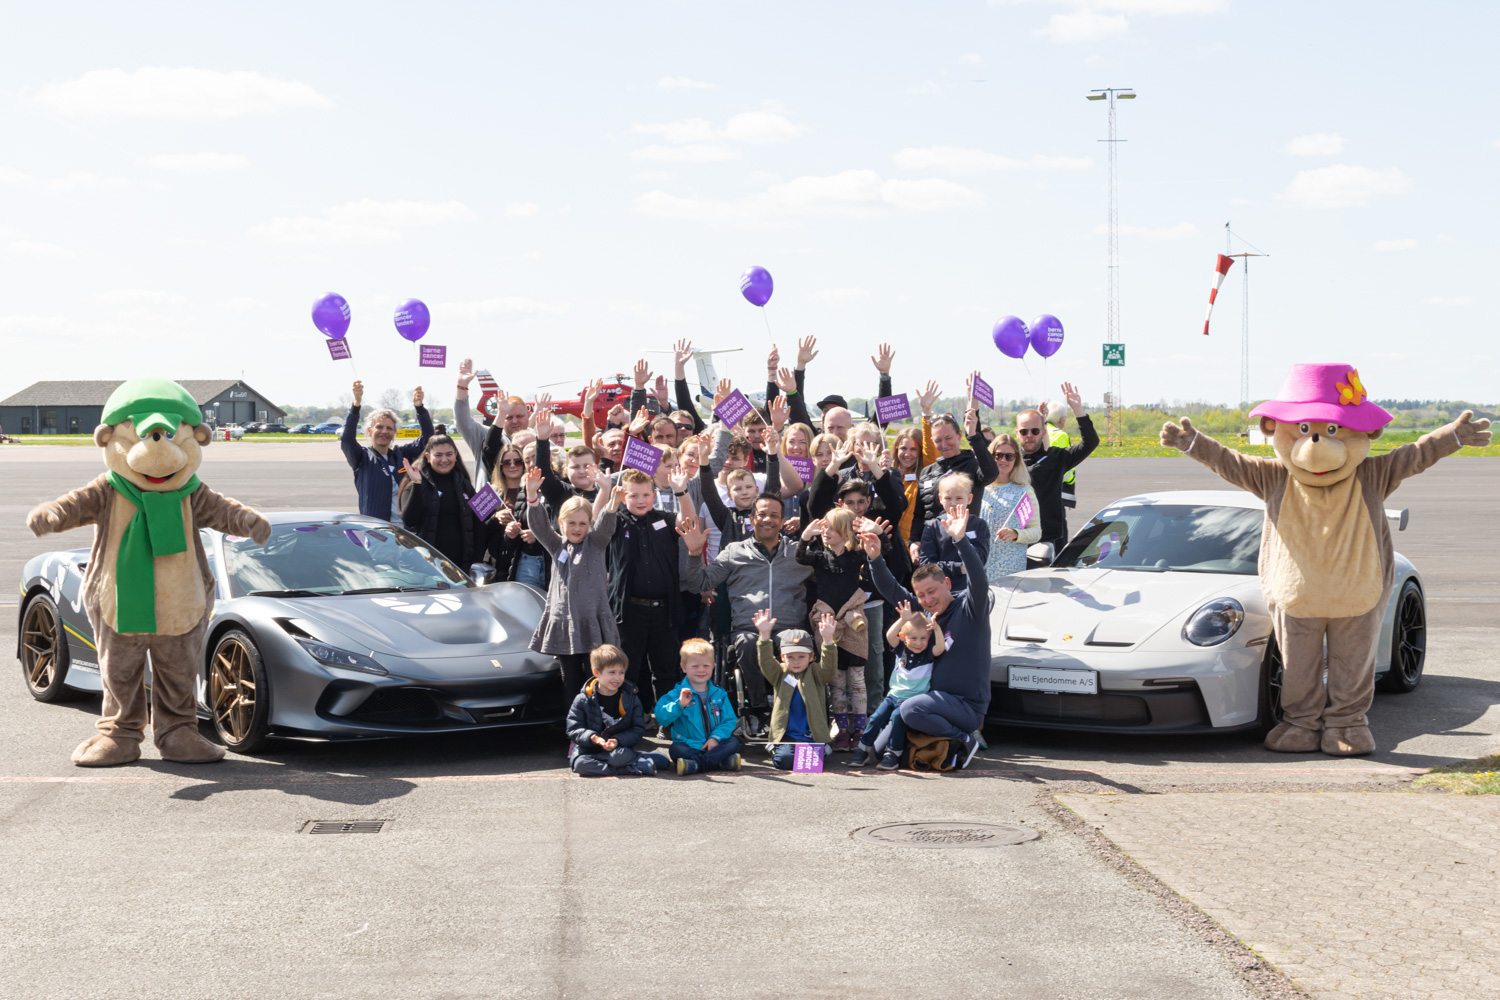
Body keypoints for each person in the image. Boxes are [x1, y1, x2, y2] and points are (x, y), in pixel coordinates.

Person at [860, 511, 990, 770]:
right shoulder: (924, 616)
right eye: (921, 595)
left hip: (965, 706)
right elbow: (893, 591)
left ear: (947, 584)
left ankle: (964, 738)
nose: (927, 599)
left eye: (932, 591)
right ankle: (935, 737)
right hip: (931, 701)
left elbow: (978, 579)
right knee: (876, 749)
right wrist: (874, 558)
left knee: (909, 710)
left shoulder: (970, 609)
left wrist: (961, 540)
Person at [679, 493, 814, 734]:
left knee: (797, 642)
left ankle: (797, 710)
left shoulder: (799, 553)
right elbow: (699, 583)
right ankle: (761, 709)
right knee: (747, 642)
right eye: (761, 514)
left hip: (788, 628)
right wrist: (693, 553)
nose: (767, 519)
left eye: (774, 515)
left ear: (783, 521)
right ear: (752, 519)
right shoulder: (734, 551)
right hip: (748, 629)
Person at [523, 467, 618, 695]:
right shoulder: (556, 544)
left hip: (593, 620)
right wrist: (532, 497)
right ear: (561, 522)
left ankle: (596, 725)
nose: (577, 528)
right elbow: (540, 527)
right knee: (571, 682)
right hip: (566, 622)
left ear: (589, 524)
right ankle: (573, 728)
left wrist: (610, 498)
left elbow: (606, 525)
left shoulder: (595, 542)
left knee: (596, 680)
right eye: (571, 523)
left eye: (583, 523)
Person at [605, 468, 686, 711]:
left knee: (665, 671)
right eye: (633, 496)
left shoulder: (665, 518)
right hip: (630, 610)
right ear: (623, 497)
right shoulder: (616, 520)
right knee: (627, 670)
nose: (640, 500)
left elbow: (689, 521)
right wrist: (606, 493)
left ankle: (666, 719)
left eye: (645, 495)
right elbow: (598, 524)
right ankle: (629, 718)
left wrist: (681, 491)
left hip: (664, 609)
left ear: (654, 495)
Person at [796, 510, 870, 751]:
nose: (825, 531)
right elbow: (800, 557)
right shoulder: (819, 556)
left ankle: (859, 730)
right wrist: (806, 536)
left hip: (852, 623)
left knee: (857, 680)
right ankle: (841, 730)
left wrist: (875, 533)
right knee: (835, 682)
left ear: (847, 533)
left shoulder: (856, 556)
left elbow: (883, 552)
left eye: (832, 528)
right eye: (824, 526)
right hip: (828, 623)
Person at [908, 375, 998, 554]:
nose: (944, 445)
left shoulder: (972, 466)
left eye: (948, 438)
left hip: (962, 545)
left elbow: (991, 473)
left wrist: (973, 435)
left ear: (959, 435)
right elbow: (919, 513)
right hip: (931, 546)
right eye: (938, 440)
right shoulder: (927, 472)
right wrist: (914, 541)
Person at [854, 601, 945, 770]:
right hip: (893, 696)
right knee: (876, 718)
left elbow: (940, 648)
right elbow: (890, 635)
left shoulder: (927, 653)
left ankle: (893, 754)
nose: (919, 643)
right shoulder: (901, 648)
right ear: (904, 638)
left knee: (897, 718)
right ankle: (863, 748)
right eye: (914, 638)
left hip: (912, 700)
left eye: (923, 638)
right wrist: (902, 621)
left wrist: (937, 629)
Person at [1019, 381, 1098, 558]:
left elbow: (1090, 443)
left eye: (1035, 431)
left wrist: (1078, 410)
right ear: (1017, 433)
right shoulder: (1008, 458)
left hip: (1048, 539)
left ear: (1043, 432)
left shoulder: (1056, 459)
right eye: (1024, 431)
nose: (1029, 435)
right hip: (1016, 539)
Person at [340, 380, 432, 525]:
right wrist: (356, 405)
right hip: (376, 533)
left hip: (406, 533)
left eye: (389, 428)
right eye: (379, 427)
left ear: (394, 433)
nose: (384, 431)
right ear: (369, 431)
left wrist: (419, 408)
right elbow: (346, 439)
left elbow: (428, 438)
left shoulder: (401, 456)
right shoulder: (361, 458)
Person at [565, 645, 665, 776]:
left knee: (619, 757)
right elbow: (573, 728)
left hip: (618, 749)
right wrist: (592, 737)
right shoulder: (582, 699)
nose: (617, 678)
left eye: (621, 672)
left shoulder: (631, 697)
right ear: (596, 672)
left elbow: (637, 729)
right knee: (580, 765)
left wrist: (618, 740)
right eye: (612, 672)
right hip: (589, 750)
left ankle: (635, 759)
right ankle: (632, 766)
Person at [756, 612, 839, 771]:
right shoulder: (779, 673)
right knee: (784, 762)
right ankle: (774, 747)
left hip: (812, 736)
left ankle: (824, 748)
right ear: (782, 657)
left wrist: (828, 640)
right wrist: (764, 636)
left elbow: (828, 666)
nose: (795, 661)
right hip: (787, 736)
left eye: (801, 656)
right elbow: (766, 662)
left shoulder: (817, 674)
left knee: (810, 764)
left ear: (811, 657)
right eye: (790, 657)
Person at [396, 434, 487, 568]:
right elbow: (409, 521)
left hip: (460, 565)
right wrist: (417, 484)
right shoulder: (416, 483)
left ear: (455, 455)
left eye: (449, 454)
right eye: (438, 455)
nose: (444, 459)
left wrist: (476, 561)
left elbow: (479, 524)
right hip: (426, 564)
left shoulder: (464, 484)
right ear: (427, 457)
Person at [655, 638, 742, 774]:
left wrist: (715, 738)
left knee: (733, 743)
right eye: (695, 666)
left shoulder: (720, 694)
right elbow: (661, 718)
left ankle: (697, 765)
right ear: (683, 667)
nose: (701, 670)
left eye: (706, 666)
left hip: (715, 745)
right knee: (675, 749)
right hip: (689, 745)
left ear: (713, 665)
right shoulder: (676, 694)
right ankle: (719, 762)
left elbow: (729, 720)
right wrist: (679, 705)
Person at [979, 434, 1042, 579]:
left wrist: (1016, 534)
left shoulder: (1025, 492)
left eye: (1009, 456)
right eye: (998, 455)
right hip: (980, 570)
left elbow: (1036, 532)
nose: (1003, 460)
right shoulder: (980, 488)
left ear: (1017, 459)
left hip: (1010, 571)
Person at [917, 472, 991, 585]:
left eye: (959, 498)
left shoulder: (979, 525)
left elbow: (980, 560)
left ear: (969, 498)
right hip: (942, 588)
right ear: (940, 499)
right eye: (948, 498)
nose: (953, 503)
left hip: (971, 587)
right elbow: (927, 564)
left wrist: (961, 538)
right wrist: (959, 568)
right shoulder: (932, 527)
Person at [1043, 398, 1077, 510]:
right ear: (1062, 420)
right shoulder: (1060, 435)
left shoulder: (1040, 431)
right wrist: (1071, 479)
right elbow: (1064, 464)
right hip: (1057, 491)